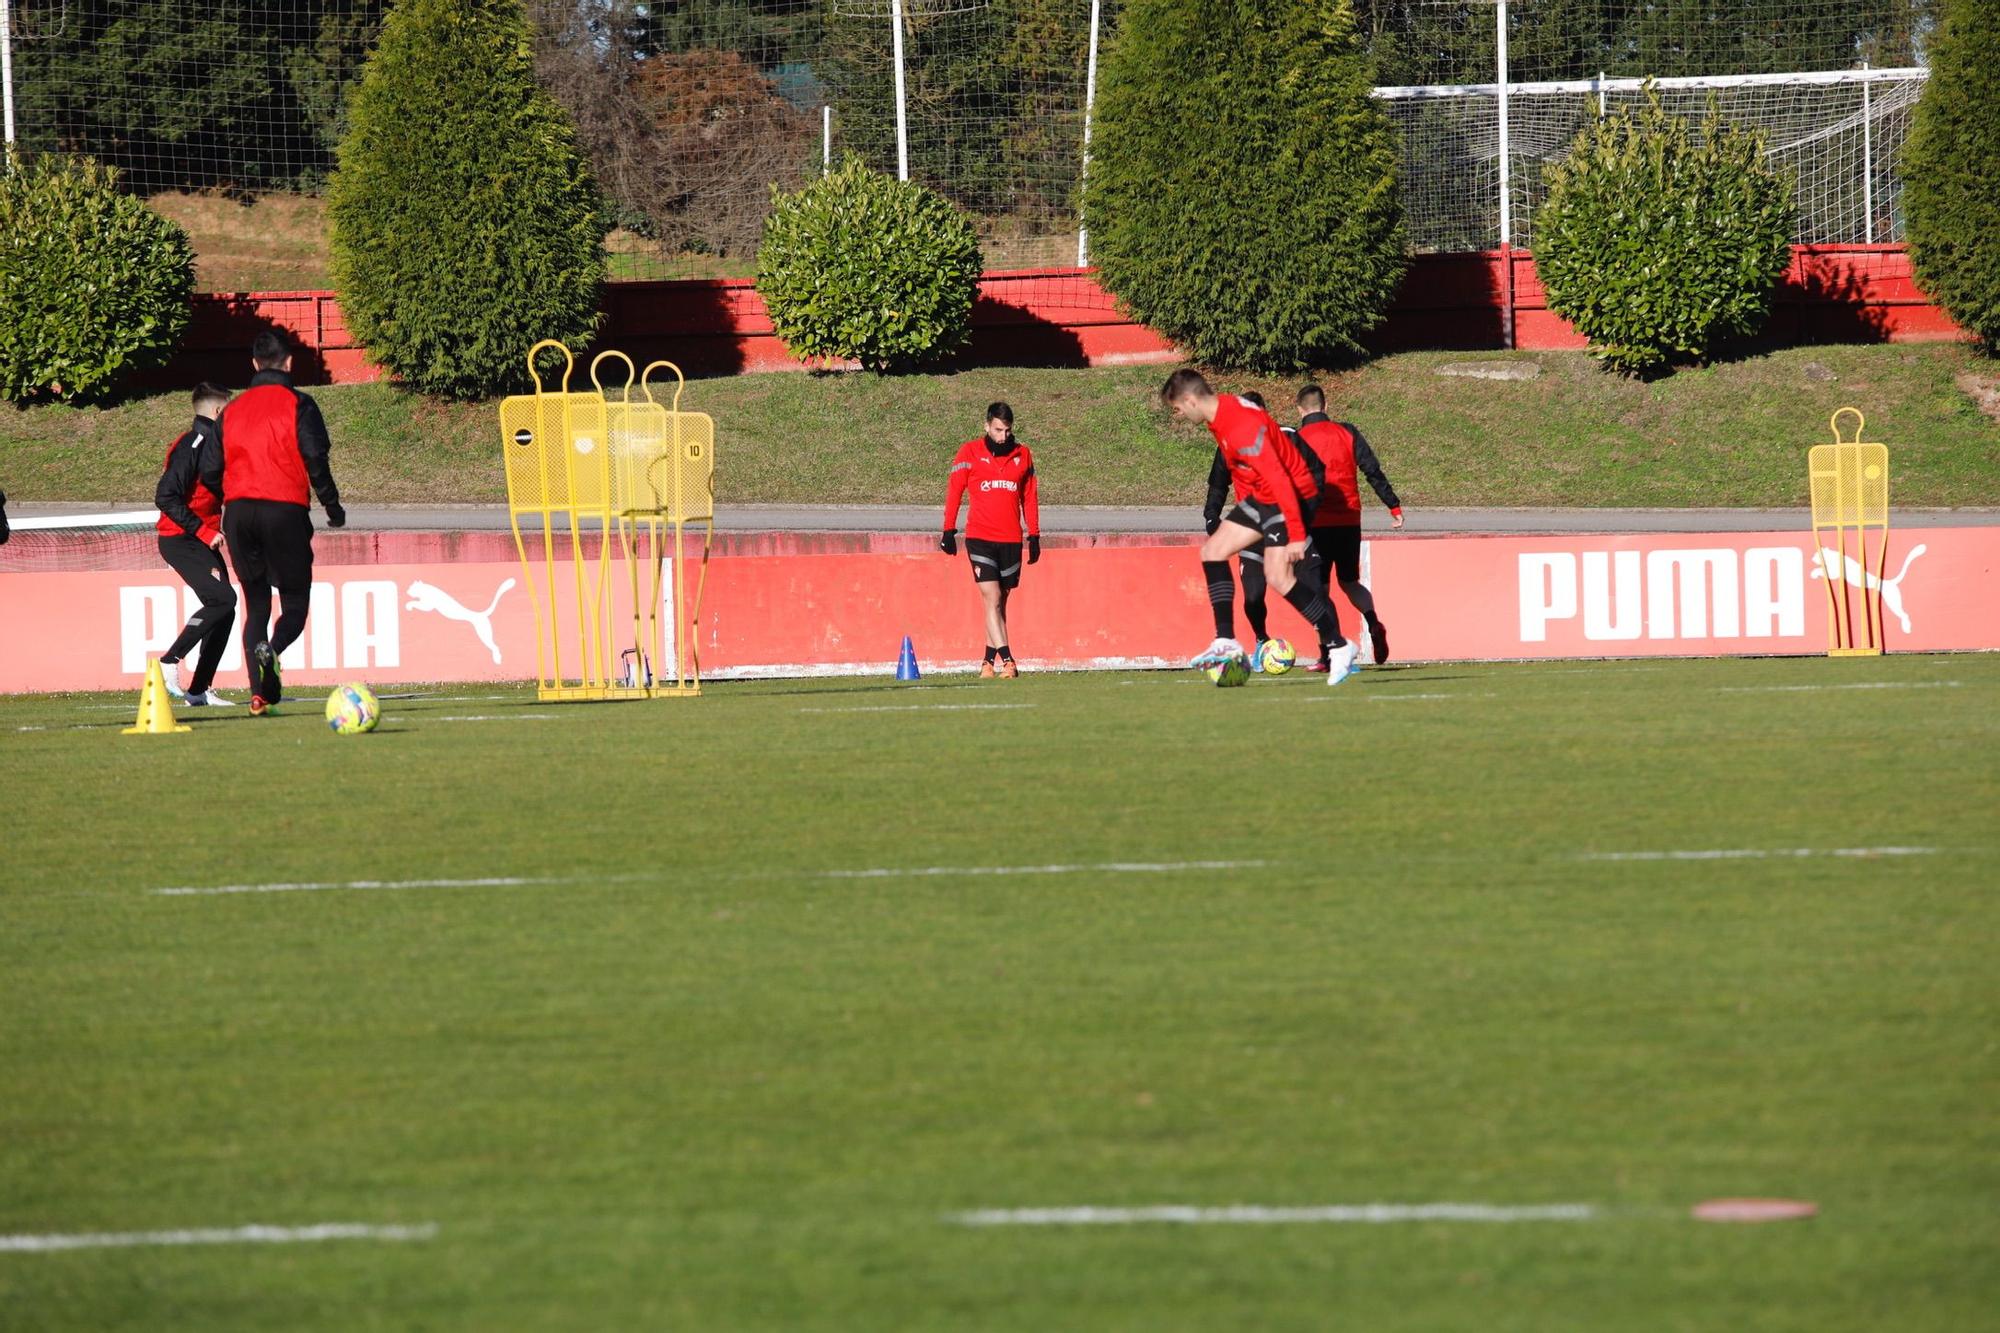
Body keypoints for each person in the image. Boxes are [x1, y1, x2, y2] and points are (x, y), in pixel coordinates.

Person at [1162, 369, 1357, 684]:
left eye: (1178, 408)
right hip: (1263, 495)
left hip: (1290, 493)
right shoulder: (1223, 412)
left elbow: (1280, 477)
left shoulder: (1241, 427)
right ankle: (1225, 641)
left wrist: (1296, 533)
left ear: (1190, 399)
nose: (1180, 415)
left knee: (1278, 577)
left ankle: (1338, 644)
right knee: (1213, 551)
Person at [199, 329, 346, 715]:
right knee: (294, 605)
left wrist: (227, 496)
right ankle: (274, 650)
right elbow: (316, 457)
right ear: (289, 362)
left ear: (253, 364)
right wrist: (332, 507)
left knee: (257, 606)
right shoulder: (299, 404)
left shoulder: (230, 411)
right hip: (284, 509)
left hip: (241, 512)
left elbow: (210, 470)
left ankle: (259, 695)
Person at [1292, 384, 1404, 666]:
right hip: (1348, 520)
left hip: (1315, 523)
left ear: (1299, 409)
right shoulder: (1347, 432)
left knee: (1319, 589)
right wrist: (1393, 505)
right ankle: (1374, 622)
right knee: (1350, 581)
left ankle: (1329, 652)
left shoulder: (1298, 438)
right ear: (1325, 406)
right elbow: (1371, 470)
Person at [940, 402, 1040, 678]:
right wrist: (948, 530)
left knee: (999, 603)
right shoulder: (969, 452)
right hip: (980, 537)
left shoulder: (1023, 455)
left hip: (1010, 539)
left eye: (1007, 430)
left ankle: (987, 663)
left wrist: (1034, 534)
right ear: (986, 426)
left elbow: (1029, 498)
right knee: (991, 596)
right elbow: (954, 491)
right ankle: (1008, 660)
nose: (1003, 436)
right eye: (998, 430)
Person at [153, 383, 238, 706]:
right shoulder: (193, 444)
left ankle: (199, 690)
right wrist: (203, 532)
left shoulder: (213, 446)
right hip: (180, 539)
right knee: (222, 599)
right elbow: (165, 496)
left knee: (225, 609)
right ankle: (170, 660)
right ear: (218, 412)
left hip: (201, 539)